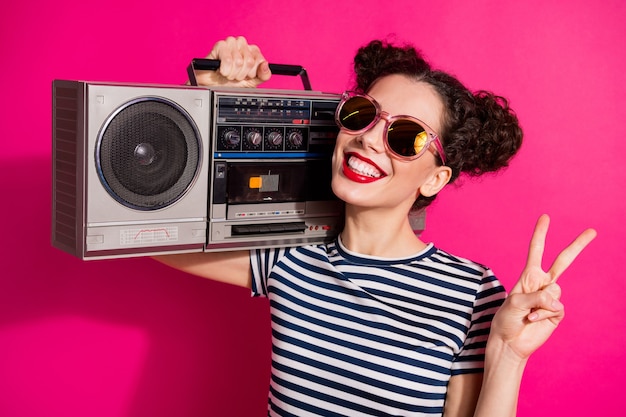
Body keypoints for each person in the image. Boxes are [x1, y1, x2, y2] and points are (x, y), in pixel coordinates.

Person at [157, 36, 596, 417]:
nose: (369, 138)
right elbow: (149, 233)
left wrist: (509, 353)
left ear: (434, 177)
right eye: (362, 114)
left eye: (405, 137)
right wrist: (218, 105)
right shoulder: (287, 258)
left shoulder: (474, 291)